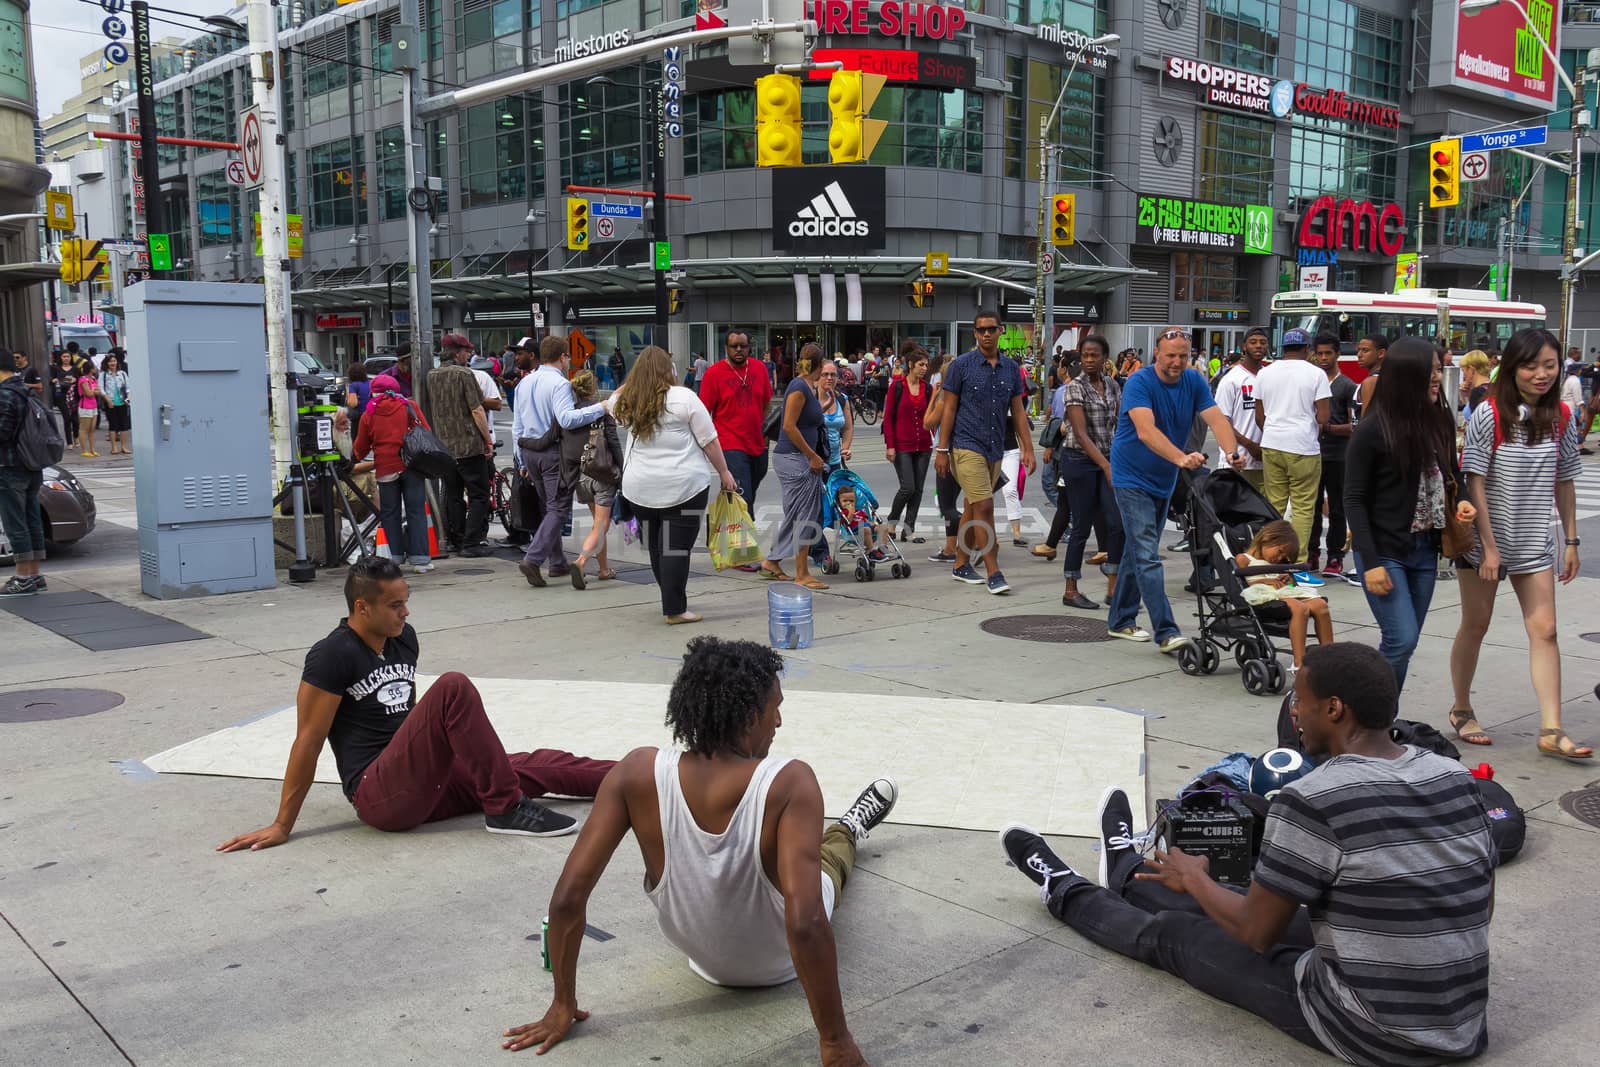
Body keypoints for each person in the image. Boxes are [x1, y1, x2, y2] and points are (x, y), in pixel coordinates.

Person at [1000, 642, 1497, 1067]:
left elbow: (1258, 935)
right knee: (1246, 897)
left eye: (1299, 701)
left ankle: (1063, 887)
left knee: (1176, 936)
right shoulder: (1450, 775)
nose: (1293, 713)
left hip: (1374, 1031)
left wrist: (1194, 877)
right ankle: (1127, 872)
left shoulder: (1315, 797)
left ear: (1335, 709)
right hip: (1460, 1020)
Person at [501, 636, 897, 1062]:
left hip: (701, 960)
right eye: (774, 708)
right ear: (748, 716)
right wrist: (835, 1042)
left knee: (791, 854)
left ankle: (844, 829)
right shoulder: (790, 782)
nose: (778, 722)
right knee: (827, 863)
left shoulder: (636, 773)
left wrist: (562, 1004)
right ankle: (851, 828)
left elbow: (566, 900)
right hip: (778, 963)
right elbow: (804, 924)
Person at [217, 558, 615, 851]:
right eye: (394, 605)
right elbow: (308, 740)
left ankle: (642, 776)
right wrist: (282, 824)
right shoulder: (331, 655)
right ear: (362, 607)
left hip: (425, 783)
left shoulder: (403, 638)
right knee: (452, 687)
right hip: (379, 796)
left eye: (405, 601)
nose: (405, 612)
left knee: (532, 764)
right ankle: (506, 810)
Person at [1449, 328, 1591, 759]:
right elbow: (1474, 483)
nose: (1541, 374)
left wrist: (1570, 540)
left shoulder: (1562, 416)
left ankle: (1552, 728)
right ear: (1512, 367)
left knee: (1545, 630)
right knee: (1477, 624)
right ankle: (1461, 708)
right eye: (1532, 366)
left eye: (1550, 365)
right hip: (1484, 542)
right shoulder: (1490, 414)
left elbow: (1564, 481)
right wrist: (1489, 548)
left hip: (1534, 542)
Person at [1344, 337, 1474, 693]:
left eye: (1438, 369)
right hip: (1385, 551)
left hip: (1424, 549)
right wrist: (1369, 563)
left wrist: (1462, 498)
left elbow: (1452, 472)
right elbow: (1353, 500)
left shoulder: (1439, 420)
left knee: (1406, 642)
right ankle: (1372, 721)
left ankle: (1378, 720)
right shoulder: (1372, 430)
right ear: (1406, 374)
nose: (1438, 377)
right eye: (1431, 370)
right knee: (1400, 640)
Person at [1108, 328, 1246, 651]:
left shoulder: (1194, 380)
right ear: (1157, 353)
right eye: (1170, 355)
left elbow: (1217, 419)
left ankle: (1120, 620)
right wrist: (1181, 457)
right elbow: (1145, 430)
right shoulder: (1139, 382)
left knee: (1138, 549)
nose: (1177, 361)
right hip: (1131, 477)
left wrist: (1232, 452)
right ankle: (1166, 631)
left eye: (1183, 355)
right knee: (1146, 554)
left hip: (1164, 477)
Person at [608, 345, 741, 624]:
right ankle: (676, 609)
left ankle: (669, 598)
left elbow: (612, 400)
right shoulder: (684, 397)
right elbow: (709, 441)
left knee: (658, 548)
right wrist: (724, 472)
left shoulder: (628, 400)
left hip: (639, 489)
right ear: (669, 369)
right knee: (676, 548)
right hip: (684, 487)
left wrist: (634, 381)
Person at [934, 309, 1036, 596]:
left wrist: (1027, 448)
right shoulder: (961, 366)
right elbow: (949, 409)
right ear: (975, 334)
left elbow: (1017, 411)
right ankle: (994, 570)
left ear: (1001, 331)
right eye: (981, 330)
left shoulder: (1011, 369)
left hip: (995, 448)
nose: (987, 334)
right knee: (985, 507)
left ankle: (961, 563)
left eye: (992, 329)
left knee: (972, 507)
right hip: (965, 446)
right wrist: (942, 449)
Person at [513, 335, 605, 587]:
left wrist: (521, 460)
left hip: (529, 450)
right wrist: (601, 408)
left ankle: (556, 562)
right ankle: (533, 558)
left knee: (548, 507)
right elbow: (567, 419)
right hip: (552, 452)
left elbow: (517, 425)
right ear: (563, 357)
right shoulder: (559, 384)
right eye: (567, 357)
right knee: (558, 508)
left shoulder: (525, 382)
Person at [1253, 329, 1330, 564]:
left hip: (1272, 444)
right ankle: (1297, 562)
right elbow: (1324, 417)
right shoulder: (1316, 374)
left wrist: (1277, 431)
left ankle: (1269, 558)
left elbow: (1259, 417)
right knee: (1303, 508)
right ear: (1307, 349)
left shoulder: (1265, 373)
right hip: (1303, 446)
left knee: (1274, 505)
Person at [1058, 336, 1122, 611]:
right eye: (1085, 355)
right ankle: (1071, 589)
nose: (1089, 360)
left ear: (1105, 357)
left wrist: (1116, 460)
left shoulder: (1113, 385)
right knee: (1082, 524)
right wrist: (1106, 466)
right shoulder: (1074, 388)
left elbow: (1119, 424)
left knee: (1117, 523)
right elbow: (1081, 435)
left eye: (1095, 355)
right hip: (1079, 460)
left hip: (1107, 458)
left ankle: (1113, 587)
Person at [760, 343, 829, 590]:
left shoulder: (805, 386)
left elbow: (805, 419)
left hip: (792, 457)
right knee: (805, 514)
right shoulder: (799, 387)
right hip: (794, 458)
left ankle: (772, 561)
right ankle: (801, 573)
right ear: (820, 366)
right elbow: (788, 426)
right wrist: (812, 456)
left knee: (797, 513)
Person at [353, 374, 436, 573]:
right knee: (416, 511)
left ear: (374, 391)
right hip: (411, 465)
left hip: (385, 467)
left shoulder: (369, 413)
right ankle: (420, 560)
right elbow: (426, 430)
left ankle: (394, 558)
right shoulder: (409, 406)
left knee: (390, 513)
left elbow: (360, 449)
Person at [695, 330, 772, 524]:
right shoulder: (714, 373)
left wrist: (766, 435)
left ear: (749, 348)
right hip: (729, 444)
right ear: (726, 348)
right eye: (734, 346)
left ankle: (728, 534)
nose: (738, 349)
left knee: (749, 491)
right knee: (742, 494)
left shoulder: (759, 368)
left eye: (743, 346)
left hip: (757, 443)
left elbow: (766, 404)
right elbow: (704, 412)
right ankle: (745, 546)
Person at [429, 335, 496, 559]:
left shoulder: (431, 375)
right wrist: (487, 439)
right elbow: (477, 410)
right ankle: (472, 541)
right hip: (468, 445)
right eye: (467, 351)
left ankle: (455, 539)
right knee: (479, 494)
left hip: (444, 445)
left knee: (453, 494)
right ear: (457, 353)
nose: (469, 355)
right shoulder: (464, 374)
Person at [1236, 521, 1331, 669]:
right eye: (1280, 551)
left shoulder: (1275, 563)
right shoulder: (1244, 559)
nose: (1280, 558)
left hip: (1283, 593)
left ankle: (1332, 657)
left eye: (1284, 556)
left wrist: (1290, 581)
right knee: (1300, 608)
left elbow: (1289, 586)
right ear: (1267, 538)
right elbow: (1241, 586)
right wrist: (1265, 581)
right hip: (1263, 596)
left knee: (1320, 605)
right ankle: (1299, 664)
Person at [0, 346, 50, 596]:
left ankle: (22, 577)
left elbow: (3, 432)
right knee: (31, 519)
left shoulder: (5, 394)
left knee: (15, 522)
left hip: (9, 465)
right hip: (31, 464)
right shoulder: (25, 391)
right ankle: (34, 573)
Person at [566, 371, 622, 587]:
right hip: (602, 474)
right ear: (592, 388)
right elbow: (614, 444)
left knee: (598, 525)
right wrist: (621, 472)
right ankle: (581, 561)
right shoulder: (601, 412)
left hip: (581, 475)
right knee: (601, 524)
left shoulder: (569, 414)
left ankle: (604, 569)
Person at [1307, 333, 1356, 576]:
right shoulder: (1312, 381)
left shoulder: (1347, 385)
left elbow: (1353, 425)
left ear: (1338, 353)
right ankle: (1311, 553)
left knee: (1337, 508)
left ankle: (1335, 556)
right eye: (1320, 353)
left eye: (1328, 353)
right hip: (1312, 453)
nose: (1323, 358)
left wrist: (1327, 428)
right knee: (1311, 507)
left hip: (1338, 455)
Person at [882, 343, 934, 544]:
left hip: (923, 445)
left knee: (918, 489)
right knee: (908, 487)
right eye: (921, 364)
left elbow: (932, 415)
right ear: (911, 364)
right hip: (901, 445)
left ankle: (909, 530)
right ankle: (892, 523)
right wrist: (890, 445)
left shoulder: (928, 388)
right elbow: (888, 418)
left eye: (926, 365)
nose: (924, 368)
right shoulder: (896, 386)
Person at [1212, 327, 1267, 489]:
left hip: (1266, 462)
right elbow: (1221, 421)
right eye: (1253, 342)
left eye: (1263, 342)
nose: (1258, 346)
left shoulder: (1269, 376)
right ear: (1244, 347)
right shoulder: (1232, 380)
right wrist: (1250, 446)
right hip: (1238, 462)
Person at [923, 354, 963, 565]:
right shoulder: (965, 397)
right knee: (970, 502)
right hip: (967, 452)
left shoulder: (944, 399)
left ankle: (950, 548)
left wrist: (934, 395)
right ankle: (975, 542)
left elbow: (927, 423)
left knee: (947, 505)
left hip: (946, 454)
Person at [834, 485, 884, 560]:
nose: (848, 503)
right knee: (866, 529)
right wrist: (851, 512)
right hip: (855, 532)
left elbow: (866, 520)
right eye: (845, 501)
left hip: (867, 528)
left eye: (851, 501)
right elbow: (847, 523)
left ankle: (883, 550)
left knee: (883, 528)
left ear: (855, 501)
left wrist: (872, 523)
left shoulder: (859, 511)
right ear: (839, 502)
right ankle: (872, 551)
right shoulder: (843, 513)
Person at [98, 353, 132, 455]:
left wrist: (128, 398)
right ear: (107, 363)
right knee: (113, 425)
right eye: (110, 361)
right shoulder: (103, 375)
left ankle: (124, 447)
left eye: (114, 361)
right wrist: (108, 400)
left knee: (124, 426)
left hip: (122, 402)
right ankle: (114, 447)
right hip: (111, 402)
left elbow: (128, 388)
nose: (113, 363)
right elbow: (101, 389)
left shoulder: (122, 374)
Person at [1352, 333, 1387, 421]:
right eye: (1358, 350)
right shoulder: (1384, 377)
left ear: (1381, 353)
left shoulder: (1371, 382)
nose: (1359, 355)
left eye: (1365, 350)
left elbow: (1366, 422)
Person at [50, 350, 77, 446]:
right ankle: (69, 442)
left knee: (75, 419)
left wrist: (75, 380)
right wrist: (54, 380)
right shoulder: (56, 368)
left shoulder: (75, 368)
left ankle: (76, 437)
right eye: (64, 356)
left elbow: (79, 380)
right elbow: (51, 380)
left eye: (68, 356)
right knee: (67, 418)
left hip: (73, 396)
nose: (66, 358)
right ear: (60, 358)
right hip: (60, 395)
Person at [1458, 350, 1493, 416]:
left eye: (1463, 370)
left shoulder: (1477, 392)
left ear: (1471, 370)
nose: (1464, 376)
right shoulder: (1493, 387)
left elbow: (1475, 420)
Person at [75, 364, 100, 458]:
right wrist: (93, 391)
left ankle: (92, 449)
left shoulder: (93, 379)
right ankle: (84, 450)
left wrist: (92, 391)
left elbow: (97, 391)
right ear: (90, 369)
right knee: (84, 429)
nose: (96, 369)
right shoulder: (83, 379)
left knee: (92, 429)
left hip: (94, 405)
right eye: (94, 367)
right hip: (85, 406)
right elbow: (89, 393)